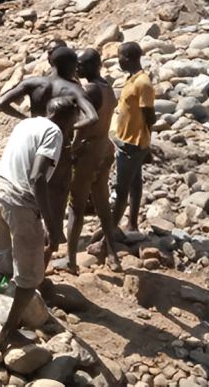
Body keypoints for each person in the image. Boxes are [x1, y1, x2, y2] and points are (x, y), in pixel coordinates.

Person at [0, 98, 81, 347]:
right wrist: (51, 225)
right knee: (30, 278)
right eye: (74, 121)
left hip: (0, 194)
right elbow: (38, 176)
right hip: (20, 203)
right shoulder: (54, 133)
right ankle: (7, 333)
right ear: (69, 119)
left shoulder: (27, 124)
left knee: (4, 265)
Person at [0, 45, 98, 242]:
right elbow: (92, 117)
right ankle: (53, 237)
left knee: (32, 191)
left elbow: (2, 103)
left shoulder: (34, 82)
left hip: (33, 145)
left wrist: (25, 118)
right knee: (58, 194)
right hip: (59, 147)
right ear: (71, 66)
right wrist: (69, 127)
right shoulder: (73, 89)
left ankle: (32, 237)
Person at [66, 49, 120, 271]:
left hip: (88, 151)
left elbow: (85, 123)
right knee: (101, 203)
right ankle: (113, 254)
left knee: (76, 207)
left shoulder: (90, 90)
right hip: (105, 148)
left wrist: (72, 150)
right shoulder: (107, 87)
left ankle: (70, 261)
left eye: (82, 65)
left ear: (93, 66)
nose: (78, 68)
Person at [110, 42, 155, 234]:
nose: (118, 60)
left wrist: (145, 141)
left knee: (121, 190)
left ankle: (109, 233)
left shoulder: (142, 83)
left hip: (132, 143)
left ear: (128, 58)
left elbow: (150, 116)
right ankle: (132, 223)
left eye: (120, 56)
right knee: (135, 183)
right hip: (127, 140)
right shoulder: (131, 79)